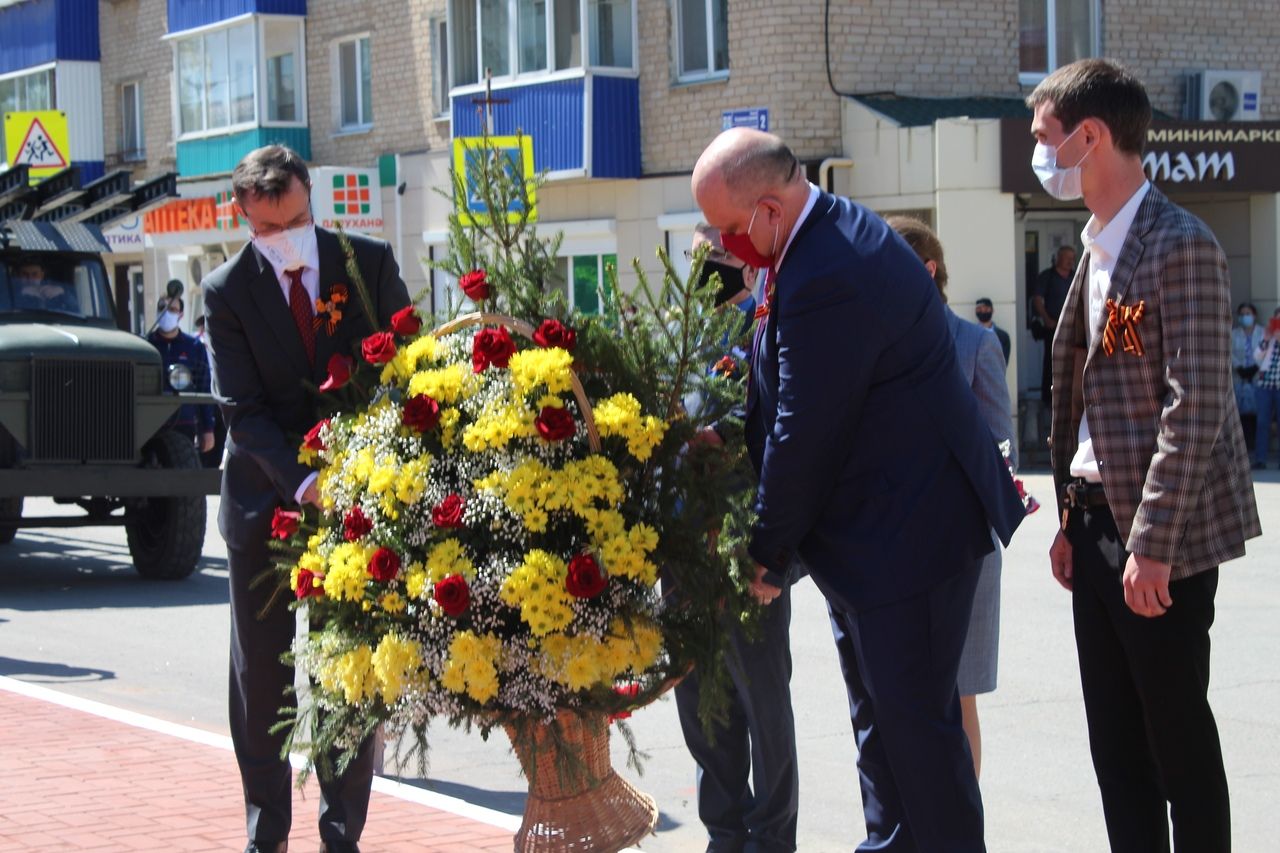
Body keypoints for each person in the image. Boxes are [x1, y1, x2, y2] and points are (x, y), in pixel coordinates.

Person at [692, 127, 1025, 851]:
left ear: (771, 208)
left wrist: (766, 551)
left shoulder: (829, 267)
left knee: (921, 748)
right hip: (874, 548)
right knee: (883, 736)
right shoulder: (813, 243)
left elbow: (804, 427)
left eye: (728, 227)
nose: (723, 245)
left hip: (910, 545)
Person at [1032, 59, 1260, 852]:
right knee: (1115, 746)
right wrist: (1069, 517)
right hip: (1094, 527)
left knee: (1176, 742)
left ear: (1089, 136)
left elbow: (1193, 403)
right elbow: (1092, 405)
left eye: (1046, 138)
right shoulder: (1094, 248)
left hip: (1159, 541)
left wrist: (1153, 544)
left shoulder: (1179, 244)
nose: (1041, 154)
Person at [202, 144, 410, 853]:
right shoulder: (225, 291)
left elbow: (400, 370)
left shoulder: (368, 264)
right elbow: (243, 408)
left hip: (353, 499)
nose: (281, 236)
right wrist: (303, 478)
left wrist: (356, 470)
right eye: (265, 228)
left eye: (292, 218)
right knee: (262, 673)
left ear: (309, 197)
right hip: (266, 499)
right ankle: (268, 830)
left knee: (347, 667)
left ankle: (341, 831)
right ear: (244, 218)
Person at [674, 222, 800, 853]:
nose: (706, 270)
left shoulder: (766, 328)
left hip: (747, 550)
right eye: (697, 258)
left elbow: (783, 434)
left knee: (762, 703)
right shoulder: (681, 338)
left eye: (718, 258)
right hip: (684, 555)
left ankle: (773, 838)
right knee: (701, 705)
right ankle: (724, 833)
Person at [888, 217, 1015, 780]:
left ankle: (962, 824)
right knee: (898, 697)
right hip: (890, 553)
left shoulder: (975, 343)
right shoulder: (872, 347)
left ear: (927, 270)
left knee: (959, 695)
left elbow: (999, 450)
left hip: (964, 550)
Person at [146, 295, 216, 455]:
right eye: (162, 308)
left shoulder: (193, 346)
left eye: (172, 309)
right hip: (150, 424)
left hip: (184, 422)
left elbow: (204, 388)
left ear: (181, 315)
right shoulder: (146, 344)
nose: (166, 313)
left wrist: (207, 429)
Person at [1032, 245, 1075, 415]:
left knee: (1072, 363)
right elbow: (1037, 299)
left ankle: (1068, 398)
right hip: (1053, 328)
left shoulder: (1075, 276)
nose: (1071, 261)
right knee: (1050, 363)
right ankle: (1048, 399)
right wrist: (1046, 318)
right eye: (1067, 258)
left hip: (1072, 329)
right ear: (1058, 258)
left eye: (1073, 258)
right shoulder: (1047, 276)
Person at [1231, 302, 1263, 455]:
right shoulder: (1234, 334)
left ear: (1254, 315)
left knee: (1258, 414)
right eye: (1242, 314)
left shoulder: (1263, 333)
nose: (1245, 317)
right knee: (1240, 415)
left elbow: (1267, 350)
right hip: (1240, 377)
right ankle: (1243, 449)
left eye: (1248, 314)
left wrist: (1256, 367)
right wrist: (1239, 368)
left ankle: (1255, 447)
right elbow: (1229, 353)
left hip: (1257, 377)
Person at [1254, 308, 1280, 469]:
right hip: (1264, 386)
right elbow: (1256, 357)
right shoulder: (1268, 339)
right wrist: (1266, 340)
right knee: (1262, 422)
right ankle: (1260, 459)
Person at [12, 258, 78, 313]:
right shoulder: (9, 291)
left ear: (42, 275)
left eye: (34, 274)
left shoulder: (54, 290)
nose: (30, 278)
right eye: (24, 274)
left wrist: (64, 293)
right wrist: (22, 294)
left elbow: (76, 310)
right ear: (18, 276)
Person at [974, 297, 1011, 364]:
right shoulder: (970, 335)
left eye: (986, 308)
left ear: (992, 310)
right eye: (979, 309)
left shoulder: (1003, 336)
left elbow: (1004, 363)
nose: (983, 311)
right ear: (976, 311)